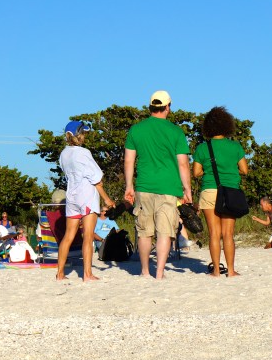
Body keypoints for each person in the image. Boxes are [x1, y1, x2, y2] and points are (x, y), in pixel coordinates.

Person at [124, 90, 192, 280]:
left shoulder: (136, 130)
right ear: (168, 106)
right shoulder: (176, 132)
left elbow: (129, 161)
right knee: (165, 232)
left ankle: (145, 271)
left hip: (143, 187)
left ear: (151, 107)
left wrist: (129, 186)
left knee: (144, 232)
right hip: (169, 188)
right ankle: (160, 273)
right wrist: (187, 189)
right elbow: (183, 164)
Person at [192, 106, 248, 277]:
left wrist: (207, 171)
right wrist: (230, 171)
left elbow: (196, 173)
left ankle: (216, 270)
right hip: (230, 191)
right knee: (228, 234)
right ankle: (230, 271)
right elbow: (244, 170)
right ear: (227, 125)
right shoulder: (235, 146)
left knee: (214, 233)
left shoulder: (202, 148)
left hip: (209, 190)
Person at [59, 120, 115, 281]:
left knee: (68, 236)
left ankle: (60, 273)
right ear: (79, 134)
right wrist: (107, 199)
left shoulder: (64, 154)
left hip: (72, 197)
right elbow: (96, 179)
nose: (85, 136)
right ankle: (87, 274)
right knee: (88, 236)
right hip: (86, 197)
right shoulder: (83, 153)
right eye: (83, 133)